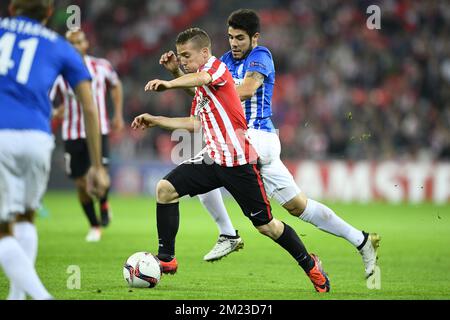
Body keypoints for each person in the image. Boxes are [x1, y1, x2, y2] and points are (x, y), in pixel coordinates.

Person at [159, 9, 380, 279]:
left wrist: (214, 86)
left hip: (259, 137)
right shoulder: (224, 61)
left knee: (208, 159)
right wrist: (177, 74)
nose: (234, 43)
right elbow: (204, 95)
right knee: (299, 207)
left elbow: (247, 89)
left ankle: (228, 233)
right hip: (238, 141)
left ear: (255, 37)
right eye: (230, 37)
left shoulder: (260, 55)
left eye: (240, 38)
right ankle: (361, 239)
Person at [133, 27, 330, 293]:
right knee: (165, 190)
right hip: (214, 159)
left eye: (186, 56)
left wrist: (169, 83)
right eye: (180, 57)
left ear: (204, 53)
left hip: (239, 162)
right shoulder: (202, 87)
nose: (182, 62)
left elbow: (201, 76)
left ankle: (310, 264)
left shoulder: (216, 70)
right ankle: (167, 259)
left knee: (267, 227)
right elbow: (194, 122)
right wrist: (156, 120)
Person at [0, 0, 109, 300]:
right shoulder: (59, 46)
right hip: (37, 139)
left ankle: (41, 296)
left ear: (12, 9)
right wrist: (98, 166)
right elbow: (90, 106)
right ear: (49, 14)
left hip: (1, 134)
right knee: (25, 217)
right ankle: (16, 296)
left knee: (1, 230)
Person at [50, 29, 124, 242]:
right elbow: (47, 99)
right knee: (81, 184)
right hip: (73, 134)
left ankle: (103, 204)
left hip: (98, 131)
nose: (76, 46)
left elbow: (116, 85)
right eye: (71, 43)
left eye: (79, 41)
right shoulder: (59, 73)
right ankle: (94, 225)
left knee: (100, 178)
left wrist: (118, 114)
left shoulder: (101, 67)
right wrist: (55, 112)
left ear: (86, 43)